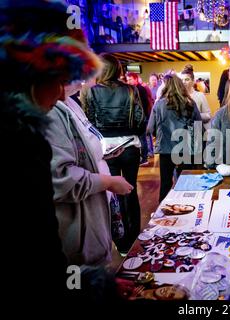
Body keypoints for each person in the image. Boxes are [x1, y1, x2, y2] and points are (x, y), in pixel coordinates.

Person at [0, 0, 114, 305]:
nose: (63, 92)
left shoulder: (26, 136)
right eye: (60, 80)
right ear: (31, 76)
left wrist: (82, 283)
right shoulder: (22, 145)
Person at [46, 81, 133, 266]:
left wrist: (102, 155)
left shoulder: (70, 102)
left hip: (91, 214)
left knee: (94, 274)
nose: (84, 80)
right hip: (76, 227)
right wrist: (107, 182)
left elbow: (82, 148)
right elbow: (61, 179)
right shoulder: (50, 109)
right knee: (78, 282)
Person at [83, 53, 146, 253]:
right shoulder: (130, 90)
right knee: (130, 190)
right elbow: (140, 121)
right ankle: (133, 238)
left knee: (111, 194)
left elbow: (89, 123)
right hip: (129, 146)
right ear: (118, 69)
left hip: (104, 148)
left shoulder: (90, 92)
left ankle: (120, 243)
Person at [148, 74, 202, 202]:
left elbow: (150, 129)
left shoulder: (159, 104)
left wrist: (160, 134)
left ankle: (162, 214)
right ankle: (187, 209)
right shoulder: (190, 103)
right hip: (186, 148)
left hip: (166, 149)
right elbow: (198, 126)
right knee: (186, 183)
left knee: (166, 183)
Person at [126, 72, 153, 165]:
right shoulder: (133, 89)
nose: (128, 81)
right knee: (142, 138)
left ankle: (144, 158)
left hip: (142, 117)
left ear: (136, 79)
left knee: (143, 138)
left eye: (130, 79)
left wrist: (142, 116)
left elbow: (144, 104)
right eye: (127, 80)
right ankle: (143, 157)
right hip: (139, 117)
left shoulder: (140, 89)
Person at [181, 64, 212, 130]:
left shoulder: (200, 95)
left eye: (186, 79)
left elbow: (208, 115)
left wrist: (194, 115)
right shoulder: (178, 96)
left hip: (197, 132)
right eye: (182, 80)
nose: (183, 82)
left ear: (193, 81)